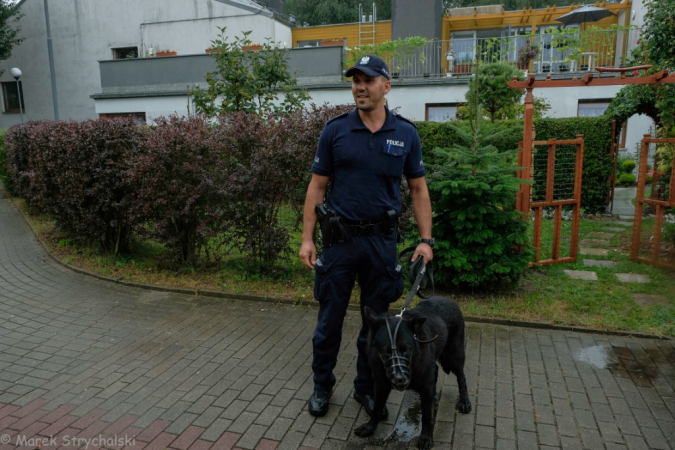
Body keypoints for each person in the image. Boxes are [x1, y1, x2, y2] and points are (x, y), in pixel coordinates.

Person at [298, 54, 435, 419]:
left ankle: (366, 389)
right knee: (328, 324)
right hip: (340, 243)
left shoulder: (405, 134)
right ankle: (322, 387)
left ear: (385, 86)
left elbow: (419, 190)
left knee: (375, 327)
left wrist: (426, 240)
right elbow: (316, 188)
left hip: (380, 245)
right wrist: (307, 239)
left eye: (368, 80)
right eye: (355, 80)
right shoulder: (336, 131)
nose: (360, 86)